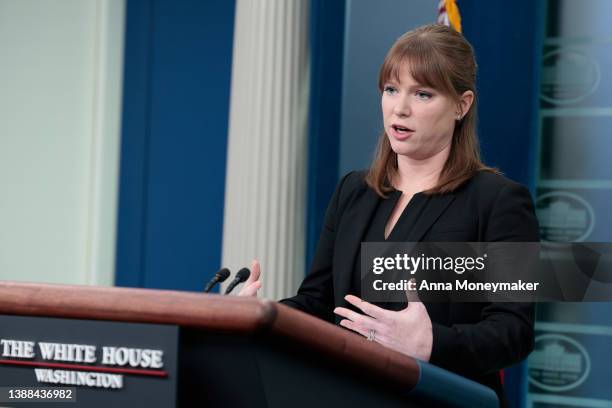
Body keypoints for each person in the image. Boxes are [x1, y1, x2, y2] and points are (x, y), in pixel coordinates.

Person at [239, 24, 538, 406]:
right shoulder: (354, 191)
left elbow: (514, 331)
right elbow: (318, 302)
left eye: (423, 94)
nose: (400, 108)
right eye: (391, 90)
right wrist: (260, 318)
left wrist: (431, 344)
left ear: (461, 106)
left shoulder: (499, 202)